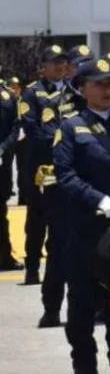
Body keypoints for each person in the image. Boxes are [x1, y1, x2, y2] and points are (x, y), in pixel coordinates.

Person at [53, 58, 110, 374]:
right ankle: (84, 365)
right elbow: (65, 175)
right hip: (86, 229)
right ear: (82, 88)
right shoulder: (70, 127)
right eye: (99, 84)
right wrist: (99, 200)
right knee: (81, 304)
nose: (108, 90)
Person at [19, 45, 70, 325]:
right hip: (42, 173)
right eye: (54, 62)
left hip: (70, 176)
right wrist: (61, 146)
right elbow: (33, 130)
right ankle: (31, 269)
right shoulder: (32, 92)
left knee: (64, 238)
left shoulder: (73, 91)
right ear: (42, 67)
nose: (59, 66)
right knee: (37, 224)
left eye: (63, 62)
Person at [0, 81, 23, 271]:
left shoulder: (8, 97)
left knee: (1, 213)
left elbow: (15, 129)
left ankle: (4, 257)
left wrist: (2, 149)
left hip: (1, 163)